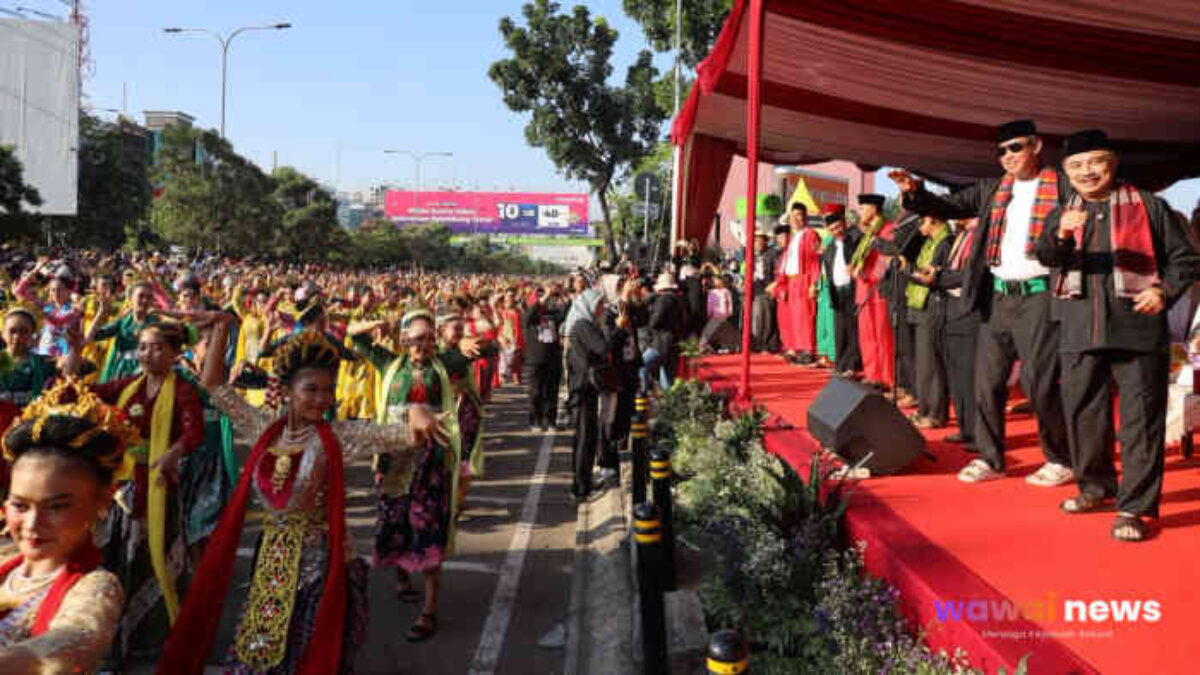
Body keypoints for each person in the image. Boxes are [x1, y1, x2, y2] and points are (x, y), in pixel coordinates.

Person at [158, 319, 444, 674]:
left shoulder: (335, 437)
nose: (323, 399)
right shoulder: (266, 430)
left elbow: (400, 434)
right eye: (311, 389)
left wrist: (415, 410)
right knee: (260, 650)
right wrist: (219, 329)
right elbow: (215, 387)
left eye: (329, 390)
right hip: (273, 561)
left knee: (308, 656)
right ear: (288, 390)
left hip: (319, 569)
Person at [1034, 130, 1200, 542]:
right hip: (1077, 327)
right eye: (1076, 166)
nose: (1087, 172)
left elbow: (1187, 259)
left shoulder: (1149, 207)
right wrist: (1060, 236)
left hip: (1137, 328)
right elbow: (1047, 259)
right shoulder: (1060, 212)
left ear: (1112, 162)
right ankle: (1095, 487)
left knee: (1141, 421)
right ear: (1066, 172)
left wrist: (1163, 291)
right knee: (1083, 415)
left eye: (1095, 162)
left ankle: (1134, 507)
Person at [893, 119, 1073, 486]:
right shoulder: (993, 189)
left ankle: (1060, 458)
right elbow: (947, 206)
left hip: (1041, 295)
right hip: (998, 297)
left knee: (1040, 383)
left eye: (1016, 147)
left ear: (1036, 146)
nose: (1008, 156)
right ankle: (991, 457)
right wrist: (915, 192)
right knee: (986, 381)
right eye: (1002, 150)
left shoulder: (1063, 186)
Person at [91, 320, 206, 661]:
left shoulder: (183, 390)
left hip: (158, 486)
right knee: (117, 557)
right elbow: (88, 392)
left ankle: (152, 640)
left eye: (157, 347)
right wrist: (73, 355)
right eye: (143, 347)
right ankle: (114, 640)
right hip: (122, 487)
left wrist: (173, 452)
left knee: (152, 560)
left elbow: (194, 432)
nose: (148, 354)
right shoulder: (130, 386)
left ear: (174, 353)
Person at [0, 380, 133, 672]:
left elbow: (72, 639)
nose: (33, 524)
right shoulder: (5, 559)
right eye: (20, 506)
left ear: (102, 502)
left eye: (57, 506)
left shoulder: (96, 587)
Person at [348, 309, 464, 642]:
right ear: (404, 340)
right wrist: (374, 322)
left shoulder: (443, 366)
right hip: (394, 460)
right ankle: (401, 575)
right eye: (417, 339)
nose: (424, 345)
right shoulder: (390, 363)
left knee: (427, 527)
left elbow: (482, 351)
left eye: (430, 338)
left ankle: (429, 609)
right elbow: (354, 336)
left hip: (430, 462)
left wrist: (461, 338)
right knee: (395, 522)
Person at [930, 218, 983, 447]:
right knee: (957, 376)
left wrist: (939, 278)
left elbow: (971, 274)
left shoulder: (981, 233)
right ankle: (965, 428)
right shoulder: (962, 234)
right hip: (952, 308)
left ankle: (979, 433)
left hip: (972, 309)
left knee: (971, 376)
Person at [903, 212, 955, 429]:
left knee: (931, 364)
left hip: (933, 307)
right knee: (923, 363)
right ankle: (924, 409)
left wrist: (906, 268)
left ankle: (935, 413)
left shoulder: (945, 243)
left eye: (921, 221)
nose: (919, 227)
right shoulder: (930, 242)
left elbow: (930, 277)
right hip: (920, 306)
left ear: (933, 219)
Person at [564, 289, 609, 500]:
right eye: (599, 305)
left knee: (587, 438)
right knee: (584, 439)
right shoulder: (583, 325)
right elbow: (602, 348)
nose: (602, 309)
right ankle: (580, 489)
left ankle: (584, 482)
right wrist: (615, 328)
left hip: (585, 388)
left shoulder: (585, 324)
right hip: (582, 390)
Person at [848, 194, 895, 389]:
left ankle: (886, 377)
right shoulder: (867, 233)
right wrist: (854, 268)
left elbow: (886, 261)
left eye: (863, 208)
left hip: (877, 290)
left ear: (874, 209)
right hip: (863, 289)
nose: (860, 212)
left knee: (882, 336)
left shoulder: (888, 230)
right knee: (867, 334)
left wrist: (867, 274)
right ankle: (872, 373)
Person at [773, 203, 822, 365]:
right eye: (792, 215)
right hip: (791, 281)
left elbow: (815, 260)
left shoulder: (810, 234)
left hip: (804, 279)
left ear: (805, 217)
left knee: (806, 316)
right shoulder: (793, 238)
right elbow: (786, 263)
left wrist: (814, 283)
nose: (794, 219)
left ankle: (808, 350)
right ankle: (797, 348)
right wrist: (781, 284)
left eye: (798, 215)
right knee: (794, 318)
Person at [820, 206, 862, 377]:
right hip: (836, 292)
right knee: (839, 330)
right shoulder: (829, 248)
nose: (835, 231)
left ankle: (852, 365)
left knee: (852, 330)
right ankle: (840, 364)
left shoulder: (854, 242)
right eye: (831, 230)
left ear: (844, 224)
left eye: (838, 227)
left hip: (852, 291)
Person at [522, 286, 566, 431]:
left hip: (553, 358)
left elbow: (565, 312)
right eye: (540, 296)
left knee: (552, 392)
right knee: (536, 393)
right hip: (535, 360)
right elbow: (530, 314)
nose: (545, 300)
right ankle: (535, 421)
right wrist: (544, 297)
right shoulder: (529, 315)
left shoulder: (553, 314)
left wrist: (562, 295)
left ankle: (551, 421)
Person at [644, 273, 685, 392]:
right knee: (667, 378)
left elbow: (655, 321)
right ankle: (668, 406)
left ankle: (643, 392)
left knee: (641, 366)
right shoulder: (677, 300)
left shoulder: (663, 300)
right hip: (672, 343)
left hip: (660, 343)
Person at [750, 227, 781, 352]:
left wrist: (774, 285)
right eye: (754, 240)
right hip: (756, 290)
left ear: (765, 240)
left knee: (765, 319)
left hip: (767, 290)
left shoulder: (772, 253)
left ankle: (764, 344)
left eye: (758, 240)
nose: (756, 243)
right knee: (758, 318)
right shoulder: (754, 255)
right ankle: (761, 344)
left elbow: (778, 271)